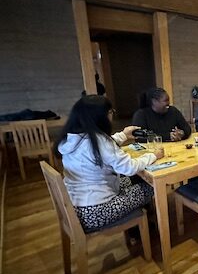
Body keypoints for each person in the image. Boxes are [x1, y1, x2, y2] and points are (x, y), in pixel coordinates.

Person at [56, 95, 163, 232]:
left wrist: (123, 135)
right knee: (151, 185)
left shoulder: (71, 139)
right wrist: (153, 155)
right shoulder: (100, 141)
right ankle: (140, 228)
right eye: (110, 112)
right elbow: (129, 167)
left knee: (135, 179)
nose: (111, 115)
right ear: (100, 116)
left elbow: (99, 148)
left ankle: (139, 228)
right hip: (98, 211)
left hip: (78, 207)